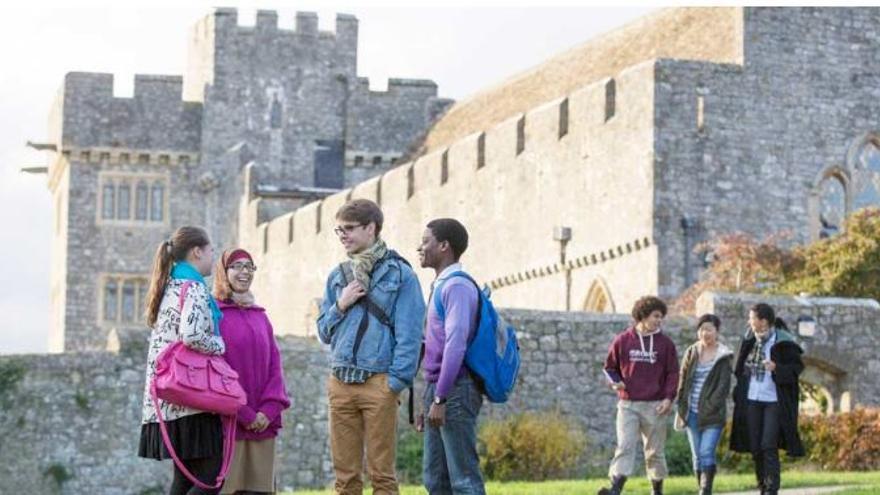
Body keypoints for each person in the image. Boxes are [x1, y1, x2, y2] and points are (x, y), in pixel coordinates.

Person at [316, 199, 426, 495]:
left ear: (371, 228)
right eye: (339, 231)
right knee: (345, 479)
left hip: (378, 382)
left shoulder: (401, 275)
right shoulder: (338, 276)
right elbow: (323, 333)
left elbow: (410, 335)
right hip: (340, 382)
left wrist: (395, 383)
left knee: (382, 476)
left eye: (349, 229)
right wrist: (341, 304)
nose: (343, 236)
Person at [138, 226, 226, 495]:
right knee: (212, 480)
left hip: (166, 399)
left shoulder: (168, 287)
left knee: (184, 480)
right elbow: (192, 335)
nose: (214, 256)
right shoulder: (195, 288)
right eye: (211, 251)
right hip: (192, 399)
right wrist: (220, 344)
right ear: (197, 252)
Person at [416, 218, 485, 495]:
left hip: (456, 390)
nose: (419, 247)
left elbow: (456, 345)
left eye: (425, 241)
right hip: (440, 389)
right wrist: (429, 397)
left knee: (464, 481)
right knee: (436, 480)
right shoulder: (440, 285)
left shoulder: (457, 287)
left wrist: (441, 398)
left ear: (444, 246)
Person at [213, 248, 291, 495]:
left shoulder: (261, 318)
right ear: (224, 272)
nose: (244, 271)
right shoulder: (214, 315)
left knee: (259, 490)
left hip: (262, 423)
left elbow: (274, 367)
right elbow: (215, 369)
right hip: (231, 423)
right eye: (236, 266)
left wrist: (267, 411)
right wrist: (244, 413)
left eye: (249, 266)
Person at [598, 296, 679, 495]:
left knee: (654, 452)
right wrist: (615, 381)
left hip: (656, 405)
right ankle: (615, 489)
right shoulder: (623, 340)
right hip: (628, 404)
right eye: (656, 316)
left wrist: (669, 398)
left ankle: (657, 490)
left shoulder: (666, 344)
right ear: (643, 316)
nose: (659, 320)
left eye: (661, 317)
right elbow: (609, 367)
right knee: (625, 446)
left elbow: (673, 373)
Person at [730, 303, 805, 495]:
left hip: (773, 401)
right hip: (752, 399)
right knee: (755, 446)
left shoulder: (783, 341)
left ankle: (772, 489)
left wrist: (776, 368)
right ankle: (762, 487)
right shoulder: (749, 340)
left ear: (763, 321)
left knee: (768, 445)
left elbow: (796, 369)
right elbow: (738, 369)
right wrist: (745, 371)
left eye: (752, 318)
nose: (750, 321)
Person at [674, 314, 734, 495]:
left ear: (717, 331)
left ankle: (705, 491)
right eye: (701, 329)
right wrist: (681, 405)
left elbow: (723, 387)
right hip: (691, 412)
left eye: (709, 329)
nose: (705, 333)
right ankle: (701, 487)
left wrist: (709, 406)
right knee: (697, 456)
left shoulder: (724, 356)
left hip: (713, 413)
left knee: (706, 451)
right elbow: (683, 380)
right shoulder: (692, 352)